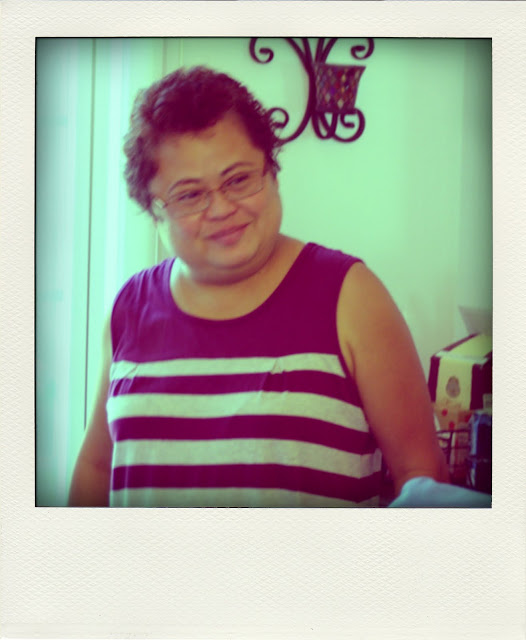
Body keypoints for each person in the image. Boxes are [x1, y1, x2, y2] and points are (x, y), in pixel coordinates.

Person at [68, 66, 449, 508]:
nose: (221, 208)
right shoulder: (128, 309)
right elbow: (96, 468)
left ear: (272, 170)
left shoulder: (351, 296)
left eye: (238, 179)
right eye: (189, 194)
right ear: (154, 210)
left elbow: (420, 475)